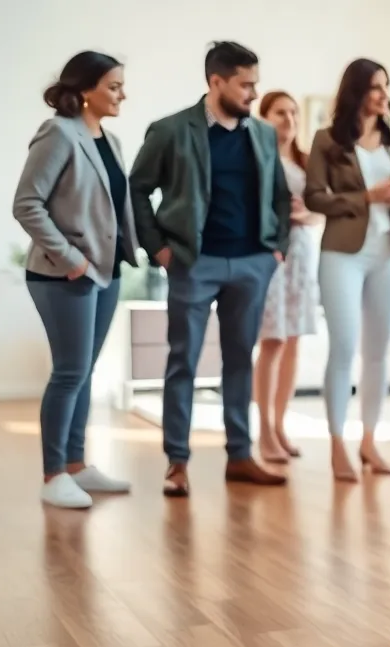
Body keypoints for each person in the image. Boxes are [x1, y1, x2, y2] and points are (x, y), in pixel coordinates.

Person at [129, 41, 291, 497]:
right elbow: (137, 190)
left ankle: (240, 455)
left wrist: (275, 249)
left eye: (255, 83)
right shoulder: (170, 130)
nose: (253, 94)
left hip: (251, 263)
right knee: (184, 361)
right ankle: (177, 463)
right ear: (216, 81)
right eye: (245, 84)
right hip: (192, 263)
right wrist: (158, 249)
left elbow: (279, 194)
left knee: (241, 361)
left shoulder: (260, 134)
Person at [13, 51, 138, 508]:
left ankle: (76, 466)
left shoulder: (111, 139)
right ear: (86, 90)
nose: (123, 93)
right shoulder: (57, 133)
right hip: (63, 274)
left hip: (106, 271)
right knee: (69, 372)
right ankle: (52, 475)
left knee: (83, 372)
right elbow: (27, 203)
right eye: (114, 86)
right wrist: (72, 260)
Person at [304, 59, 390, 482]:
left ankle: (369, 440)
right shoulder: (326, 141)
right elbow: (315, 197)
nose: (383, 94)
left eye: (386, 86)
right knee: (344, 347)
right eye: (374, 87)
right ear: (356, 92)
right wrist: (366, 196)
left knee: (377, 352)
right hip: (343, 254)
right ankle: (337, 443)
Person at [253, 90, 322, 465]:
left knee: (293, 340)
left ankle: (281, 425)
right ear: (265, 117)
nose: (289, 119)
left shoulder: (307, 160)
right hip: (269, 255)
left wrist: (304, 213)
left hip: (302, 253)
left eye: (294, 112)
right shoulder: (257, 159)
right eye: (280, 112)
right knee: (273, 340)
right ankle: (263, 429)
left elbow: (319, 213)